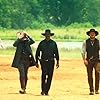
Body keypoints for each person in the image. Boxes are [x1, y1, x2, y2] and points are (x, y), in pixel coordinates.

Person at [35, 29, 59, 95]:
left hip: (51, 61)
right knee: (44, 75)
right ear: (45, 35)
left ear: (50, 35)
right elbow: (37, 52)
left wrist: (57, 61)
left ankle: (47, 91)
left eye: (48, 35)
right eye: (46, 35)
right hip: (43, 61)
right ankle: (43, 90)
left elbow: (56, 52)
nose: (47, 36)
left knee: (50, 76)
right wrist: (36, 61)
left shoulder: (53, 43)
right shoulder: (41, 43)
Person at [81, 29, 100, 95]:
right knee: (89, 75)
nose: (92, 34)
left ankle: (97, 89)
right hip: (89, 61)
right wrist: (84, 60)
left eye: (93, 33)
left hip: (97, 60)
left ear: (95, 34)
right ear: (89, 34)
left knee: (97, 74)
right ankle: (91, 90)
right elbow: (83, 51)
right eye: (91, 33)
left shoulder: (98, 42)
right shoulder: (85, 42)